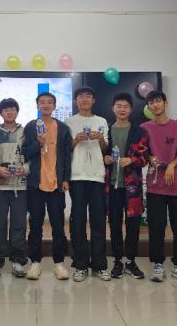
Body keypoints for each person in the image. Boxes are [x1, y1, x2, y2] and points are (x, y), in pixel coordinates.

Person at [140, 91, 177, 283]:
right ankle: (157, 264)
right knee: (156, 226)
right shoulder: (144, 128)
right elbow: (142, 150)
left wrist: (172, 165)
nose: (155, 105)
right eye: (151, 102)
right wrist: (149, 158)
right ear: (148, 106)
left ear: (165, 103)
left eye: (158, 101)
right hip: (155, 185)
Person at [21, 92, 72, 280]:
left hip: (56, 184)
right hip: (35, 184)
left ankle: (59, 263)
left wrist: (65, 179)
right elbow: (25, 152)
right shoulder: (30, 127)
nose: (46, 105)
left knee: (58, 225)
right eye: (42, 102)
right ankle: (35, 262)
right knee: (35, 225)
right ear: (37, 105)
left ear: (54, 106)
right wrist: (38, 144)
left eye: (49, 102)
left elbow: (67, 156)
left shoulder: (63, 128)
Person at [65, 87, 111, 282]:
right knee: (77, 220)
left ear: (93, 100)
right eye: (81, 97)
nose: (84, 99)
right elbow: (65, 149)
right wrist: (76, 139)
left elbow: (105, 149)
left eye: (88, 96)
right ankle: (80, 264)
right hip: (77, 176)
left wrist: (100, 139)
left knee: (98, 220)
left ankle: (100, 265)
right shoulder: (69, 122)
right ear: (76, 101)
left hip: (97, 176)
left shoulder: (101, 121)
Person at [103, 93, 148, 279]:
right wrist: (104, 159)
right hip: (111, 186)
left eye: (126, 106)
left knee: (133, 225)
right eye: (118, 106)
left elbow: (145, 158)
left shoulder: (139, 131)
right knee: (114, 224)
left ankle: (131, 261)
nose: (122, 109)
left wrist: (132, 160)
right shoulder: (106, 131)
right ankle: (117, 261)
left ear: (131, 109)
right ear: (113, 108)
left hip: (132, 186)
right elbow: (100, 154)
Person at [0, 98, 29, 280]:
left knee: (19, 225)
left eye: (12, 109)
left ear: (17, 111)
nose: (9, 112)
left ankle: (18, 261)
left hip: (21, 186)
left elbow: (33, 156)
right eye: (6, 110)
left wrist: (25, 168)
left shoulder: (26, 133)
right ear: (1, 113)